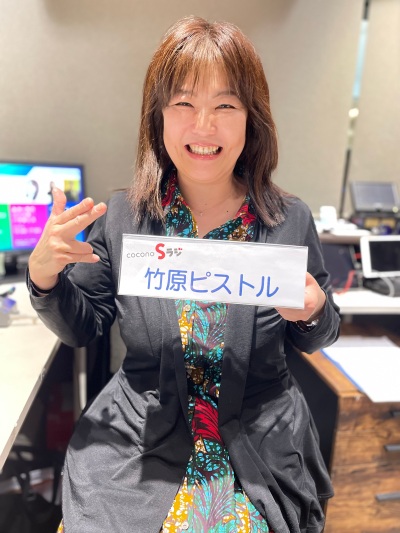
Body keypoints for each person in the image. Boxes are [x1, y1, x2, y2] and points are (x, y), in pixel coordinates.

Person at [27, 15, 340, 533]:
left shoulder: (289, 220)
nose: (204, 126)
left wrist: (313, 312)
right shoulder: (125, 217)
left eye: (225, 106)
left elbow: (320, 333)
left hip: (259, 438)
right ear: (158, 117)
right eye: (183, 104)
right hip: (140, 436)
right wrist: (45, 279)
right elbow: (82, 326)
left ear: (252, 119)